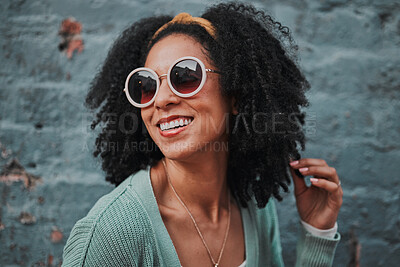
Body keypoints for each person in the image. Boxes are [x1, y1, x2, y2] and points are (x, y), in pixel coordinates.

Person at [62, 2, 343, 266]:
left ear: (234, 94)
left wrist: (317, 233)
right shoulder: (111, 233)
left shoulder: (255, 206)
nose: (160, 100)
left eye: (185, 77)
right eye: (146, 85)